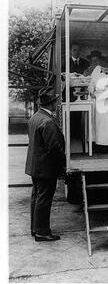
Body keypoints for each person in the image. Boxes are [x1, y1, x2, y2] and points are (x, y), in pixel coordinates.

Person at [25, 86, 66, 242]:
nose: (57, 103)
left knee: (36, 197)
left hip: (35, 166)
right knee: (44, 198)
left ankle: (35, 229)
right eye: (56, 101)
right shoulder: (48, 121)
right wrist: (63, 164)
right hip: (46, 167)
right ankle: (42, 232)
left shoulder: (35, 117)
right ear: (51, 103)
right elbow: (55, 148)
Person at [88, 56, 108, 151]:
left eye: (107, 65)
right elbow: (91, 84)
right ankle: (100, 145)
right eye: (104, 65)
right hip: (98, 102)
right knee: (100, 123)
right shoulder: (96, 71)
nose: (105, 67)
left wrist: (99, 95)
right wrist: (91, 92)